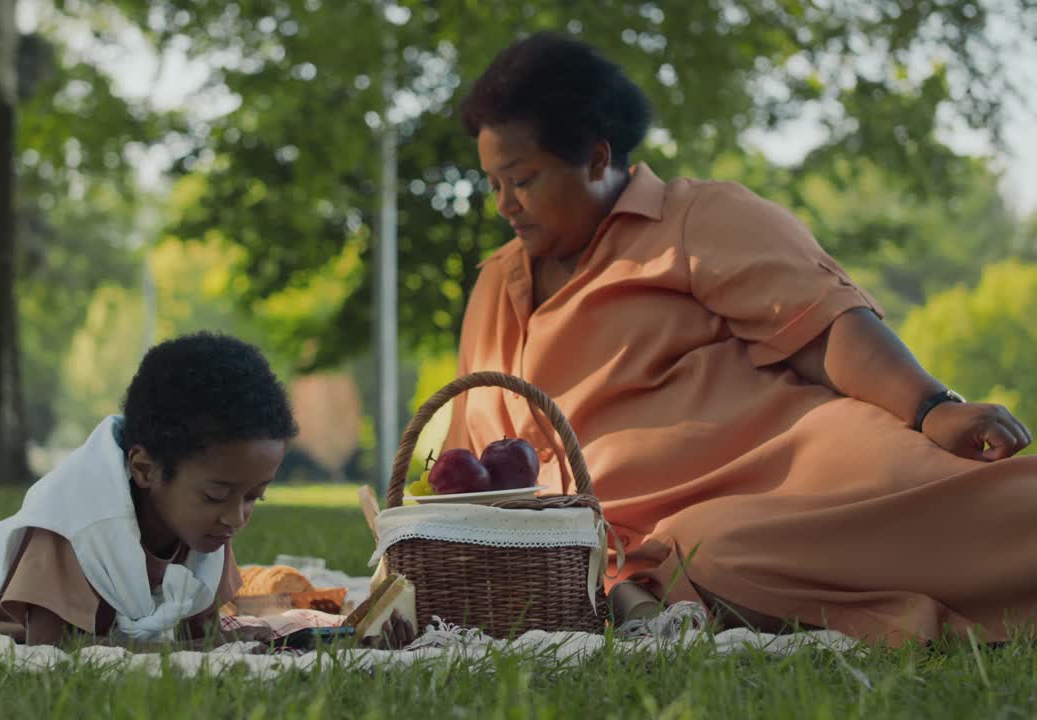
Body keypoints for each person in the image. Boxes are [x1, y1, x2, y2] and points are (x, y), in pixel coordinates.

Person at [444, 32, 1037, 645]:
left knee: (995, 521)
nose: (504, 205)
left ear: (597, 158)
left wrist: (932, 406)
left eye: (521, 179)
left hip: (805, 479)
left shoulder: (696, 220)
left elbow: (824, 326)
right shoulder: (494, 287)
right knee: (712, 552)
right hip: (688, 550)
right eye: (493, 184)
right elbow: (470, 466)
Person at [0, 332, 412, 649]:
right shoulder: (78, 536)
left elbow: (207, 630)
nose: (236, 518)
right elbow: (65, 655)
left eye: (254, 497)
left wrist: (307, 629)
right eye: (218, 495)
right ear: (145, 468)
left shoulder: (203, 530)